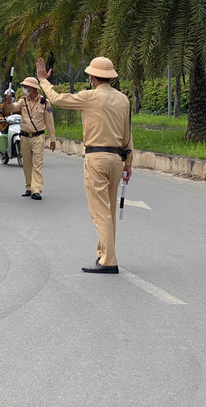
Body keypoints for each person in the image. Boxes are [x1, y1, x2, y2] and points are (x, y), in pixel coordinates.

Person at [36, 56, 133, 274]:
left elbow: (58, 98)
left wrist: (43, 80)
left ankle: (109, 260)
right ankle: (103, 253)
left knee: (100, 213)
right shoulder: (123, 99)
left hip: (96, 158)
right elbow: (128, 134)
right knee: (108, 208)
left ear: (92, 77)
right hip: (117, 159)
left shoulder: (89, 97)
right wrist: (129, 162)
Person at [11, 77, 56, 200]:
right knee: (27, 164)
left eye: (26, 87)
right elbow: (13, 108)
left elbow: (50, 122)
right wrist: (9, 101)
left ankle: (37, 190)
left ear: (33, 88)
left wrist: (53, 139)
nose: (25, 89)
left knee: (37, 163)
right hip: (25, 136)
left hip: (38, 136)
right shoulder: (23, 101)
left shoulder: (44, 102)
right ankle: (29, 187)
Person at [0, 88, 18, 154]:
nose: (10, 97)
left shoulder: (17, 105)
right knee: (5, 134)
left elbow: (23, 113)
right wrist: (1, 118)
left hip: (17, 124)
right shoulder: (3, 106)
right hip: (6, 124)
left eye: (12, 96)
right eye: (8, 96)